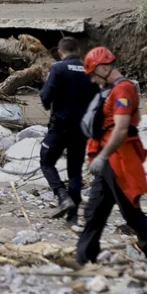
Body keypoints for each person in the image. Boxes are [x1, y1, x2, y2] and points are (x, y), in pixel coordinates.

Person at [76, 47, 147, 271]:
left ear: (104, 68)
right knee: (95, 211)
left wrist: (103, 156)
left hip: (119, 158)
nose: (91, 79)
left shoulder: (123, 91)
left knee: (131, 212)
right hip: (108, 157)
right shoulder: (111, 91)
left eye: (92, 74)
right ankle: (84, 258)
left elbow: (120, 130)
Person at [38, 37, 97, 223]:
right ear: (78, 51)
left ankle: (62, 197)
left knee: (46, 162)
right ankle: (72, 219)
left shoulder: (57, 68)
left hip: (60, 126)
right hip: (82, 129)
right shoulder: (89, 69)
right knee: (75, 172)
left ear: (60, 52)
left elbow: (46, 96)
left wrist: (47, 103)